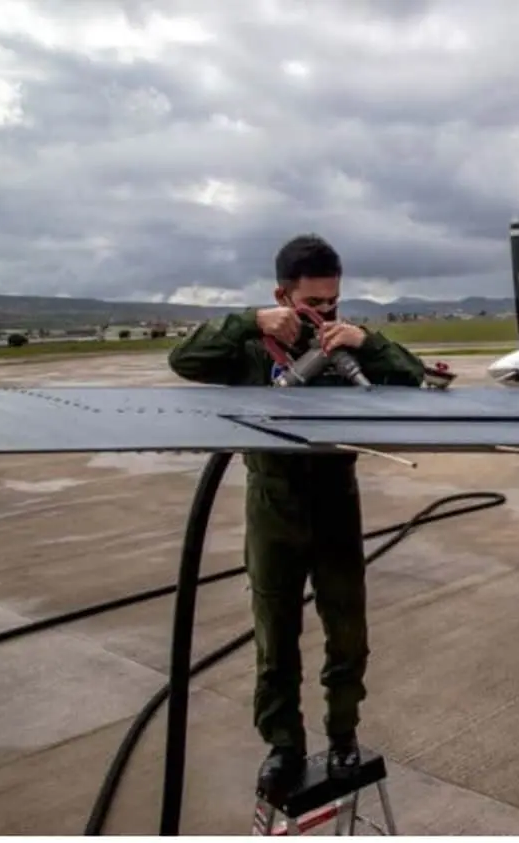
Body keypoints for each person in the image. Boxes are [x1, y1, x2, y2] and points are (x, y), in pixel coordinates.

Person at [167, 234, 427, 798]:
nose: (324, 314)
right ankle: (282, 745)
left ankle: (343, 736)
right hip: (272, 508)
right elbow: (183, 359)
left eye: (333, 303)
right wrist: (247, 323)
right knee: (275, 637)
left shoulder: (349, 343)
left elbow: (415, 380)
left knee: (348, 634)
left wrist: (367, 341)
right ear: (281, 294)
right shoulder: (252, 349)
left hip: (337, 504)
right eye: (312, 304)